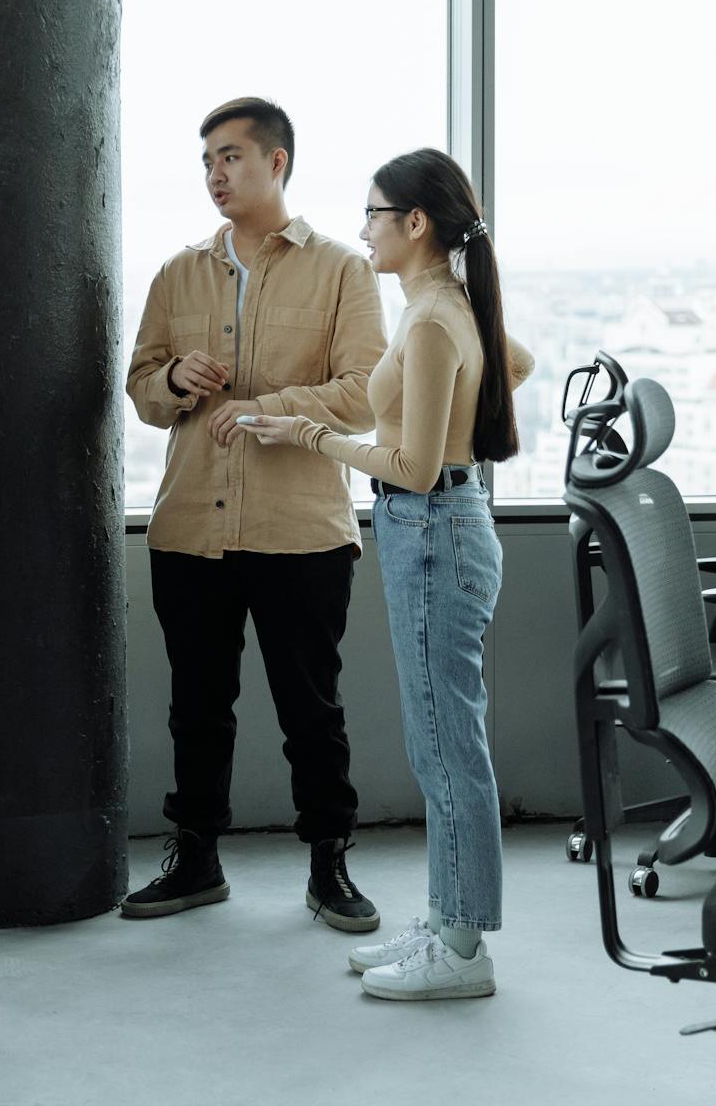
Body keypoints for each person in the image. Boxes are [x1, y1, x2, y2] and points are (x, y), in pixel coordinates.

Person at [242, 147, 534, 1001]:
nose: (363, 229)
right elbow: (512, 366)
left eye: (375, 214)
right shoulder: (441, 308)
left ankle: (465, 950)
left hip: (432, 523)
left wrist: (307, 437)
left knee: (447, 749)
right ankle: (449, 919)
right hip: (438, 524)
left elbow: (407, 466)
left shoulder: (437, 319)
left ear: (415, 224)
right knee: (438, 740)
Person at [122, 97, 389, 932]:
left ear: (277, 162)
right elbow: (140, 390)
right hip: (191, 530)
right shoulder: (177, 274)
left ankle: (329, 865)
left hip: (301, 531)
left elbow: (365, 398)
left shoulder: (342, 270)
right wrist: (173, 383)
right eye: (207, 161)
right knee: (197, 707)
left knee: (312, 708)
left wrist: (267, 406)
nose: (215, 175)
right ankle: (195, 858)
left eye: (231, 157)